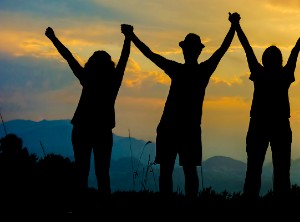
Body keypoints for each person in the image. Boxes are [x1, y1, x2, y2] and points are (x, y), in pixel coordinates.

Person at [123, 13, 237, 198]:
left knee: (169, 171)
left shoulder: (178, 69)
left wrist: (132, 36)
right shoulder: (202, 70)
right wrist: (233, 26)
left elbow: (150, 54)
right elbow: (222, 49)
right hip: (187, 129)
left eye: (187, 48)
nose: (188, 51)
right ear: (198, 51)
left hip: (171, 127)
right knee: (187, 171)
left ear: (185, 50)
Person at [45, 24, 131, 196]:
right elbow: (124, 59)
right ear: (109, 66)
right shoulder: (112, 82)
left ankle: (80, 208)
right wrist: (128, 37)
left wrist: (53, 38)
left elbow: (69, 57)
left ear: (91, 65)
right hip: (102, 131)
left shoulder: (87, 78)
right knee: (102, 174)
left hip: (82, 129)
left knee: (81, 173)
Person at [234, 14, 300, 199]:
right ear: (280, 60)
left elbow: (246, 48)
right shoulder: (284, 75)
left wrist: (236, 26)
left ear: (264, 59)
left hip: (258, 124)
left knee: (253, 170)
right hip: (280, 126)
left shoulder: (259, 73)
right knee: (282, 172)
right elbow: (296, 50)